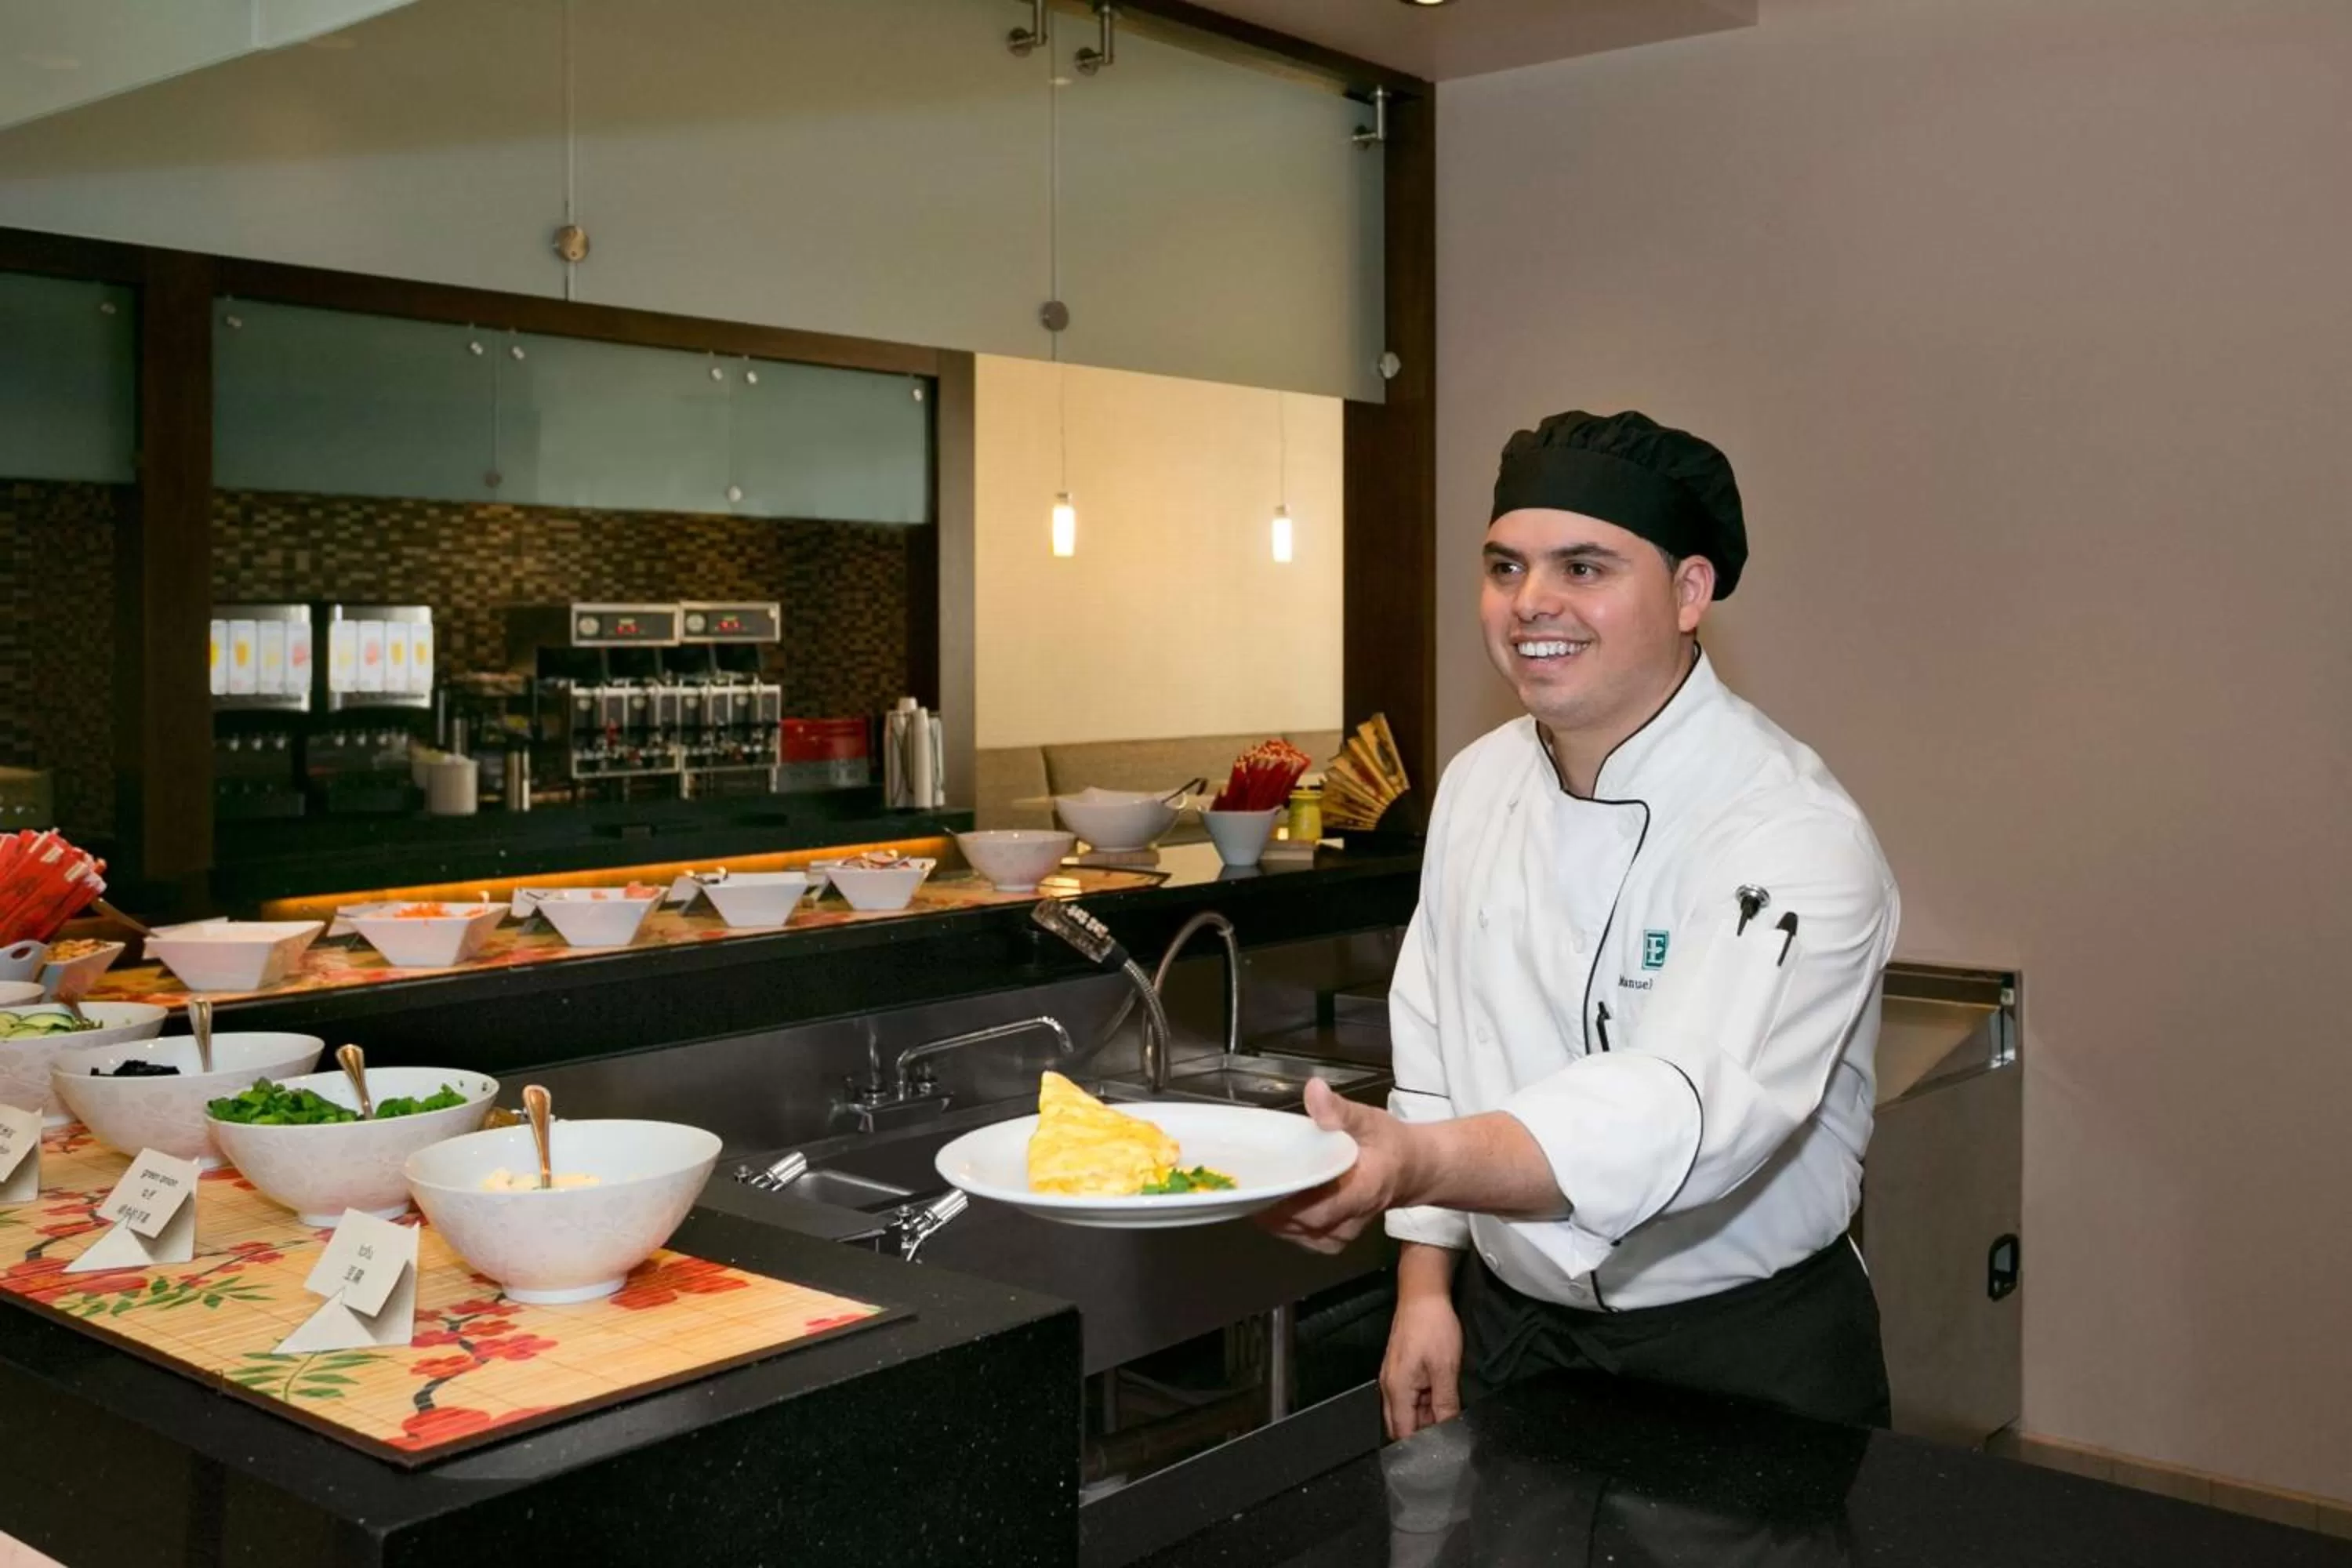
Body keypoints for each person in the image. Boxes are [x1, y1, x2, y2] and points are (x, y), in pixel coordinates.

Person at [1258, 409, 1900, 1438]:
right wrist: (1427, 1284)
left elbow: (1677, 1110)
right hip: (1516, 1334)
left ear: (1691, 592)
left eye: (1584, 567)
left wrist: (1415, 1165)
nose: (1531, 604)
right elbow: (1434, 1045)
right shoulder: (1478, 784)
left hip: (1738, 1357)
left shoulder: (1789, 830)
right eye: (1505, 567)